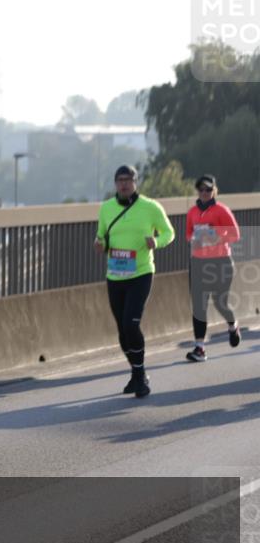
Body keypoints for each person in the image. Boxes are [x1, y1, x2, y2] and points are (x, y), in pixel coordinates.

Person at [94, 165, 175, 397]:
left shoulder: (150, 207)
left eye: (128, 179)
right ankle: (137, 373)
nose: (124, 184)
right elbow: (101, 236)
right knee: (122, 331)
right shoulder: (107, 208)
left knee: (131, 324)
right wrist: (99, 245)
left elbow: (169, 233)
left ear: (135, 182)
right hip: (115, 275)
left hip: (141, 273)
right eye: (120, 180)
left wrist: (156, 243)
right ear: (115, 184)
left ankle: (140, 377)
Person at [185, 174, 242, 362]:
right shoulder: (192, 212)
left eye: (208, 189)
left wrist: (217, 238)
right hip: (198, 262)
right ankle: (199, 348)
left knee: (220, 302)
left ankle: (232, 326)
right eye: (201, 189)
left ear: (214, 190)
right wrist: (195, 240)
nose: (204, 193)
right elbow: (187, 234)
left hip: (220, 262)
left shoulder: (221, 210)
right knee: (199, 306)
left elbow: (235, 234)